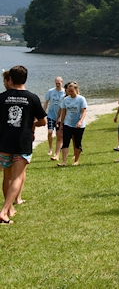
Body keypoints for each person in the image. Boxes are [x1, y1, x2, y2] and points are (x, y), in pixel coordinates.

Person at [0, 66, 46, 223]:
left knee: (6, 176)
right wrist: (32, 122)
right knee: (17, 177)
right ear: (26, 79)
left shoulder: (2, 97)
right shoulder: (32, 98)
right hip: (22, 142)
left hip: (4, 142)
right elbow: (43, 121)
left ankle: (9, 208)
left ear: (10, 79)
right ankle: (6, 210)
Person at [56, 81, 88, 167]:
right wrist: (61, 124)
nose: (70, 93)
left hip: (79, 125)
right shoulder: (66, 100)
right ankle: (64, 162)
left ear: (76, 90)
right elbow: (64, 113)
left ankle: (76, 160)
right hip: (68, 124)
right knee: (65, 142)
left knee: (77, 143)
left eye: (72, 91)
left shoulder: (81, 99)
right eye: (68, 91)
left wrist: (80, 121)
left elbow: (84, 111)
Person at [43, 77, 65, 159]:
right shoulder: (51, 91)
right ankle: (50, 148)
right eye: (56, 83)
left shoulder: (64, 93)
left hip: (59, 117)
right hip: (51, 115)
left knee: (59, 134)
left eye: (59, 83)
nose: (57, 85)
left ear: (62, 82)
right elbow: (46, 102)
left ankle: (58, 150)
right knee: (50, 132)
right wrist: (43, 113)